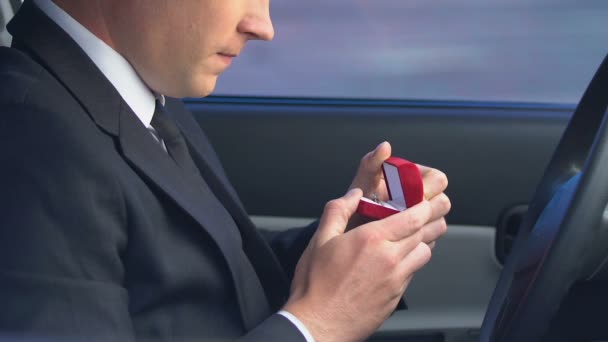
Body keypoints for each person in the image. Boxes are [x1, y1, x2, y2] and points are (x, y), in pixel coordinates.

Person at [0, 0, 451, 341]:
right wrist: (316, 325)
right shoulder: (30, 139)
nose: (263, 26)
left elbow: (221, 268)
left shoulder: (138, 92)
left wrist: (354, 239)